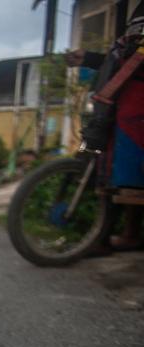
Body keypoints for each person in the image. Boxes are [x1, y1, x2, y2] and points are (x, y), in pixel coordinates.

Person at [65, 5, 144, 251]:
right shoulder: (138, 11)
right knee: (111, 168)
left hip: (134, 104)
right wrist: (87, 58)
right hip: (119, 104)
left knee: (130, 171)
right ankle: (105, 236)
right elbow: (123, 58)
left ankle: (126, 234)